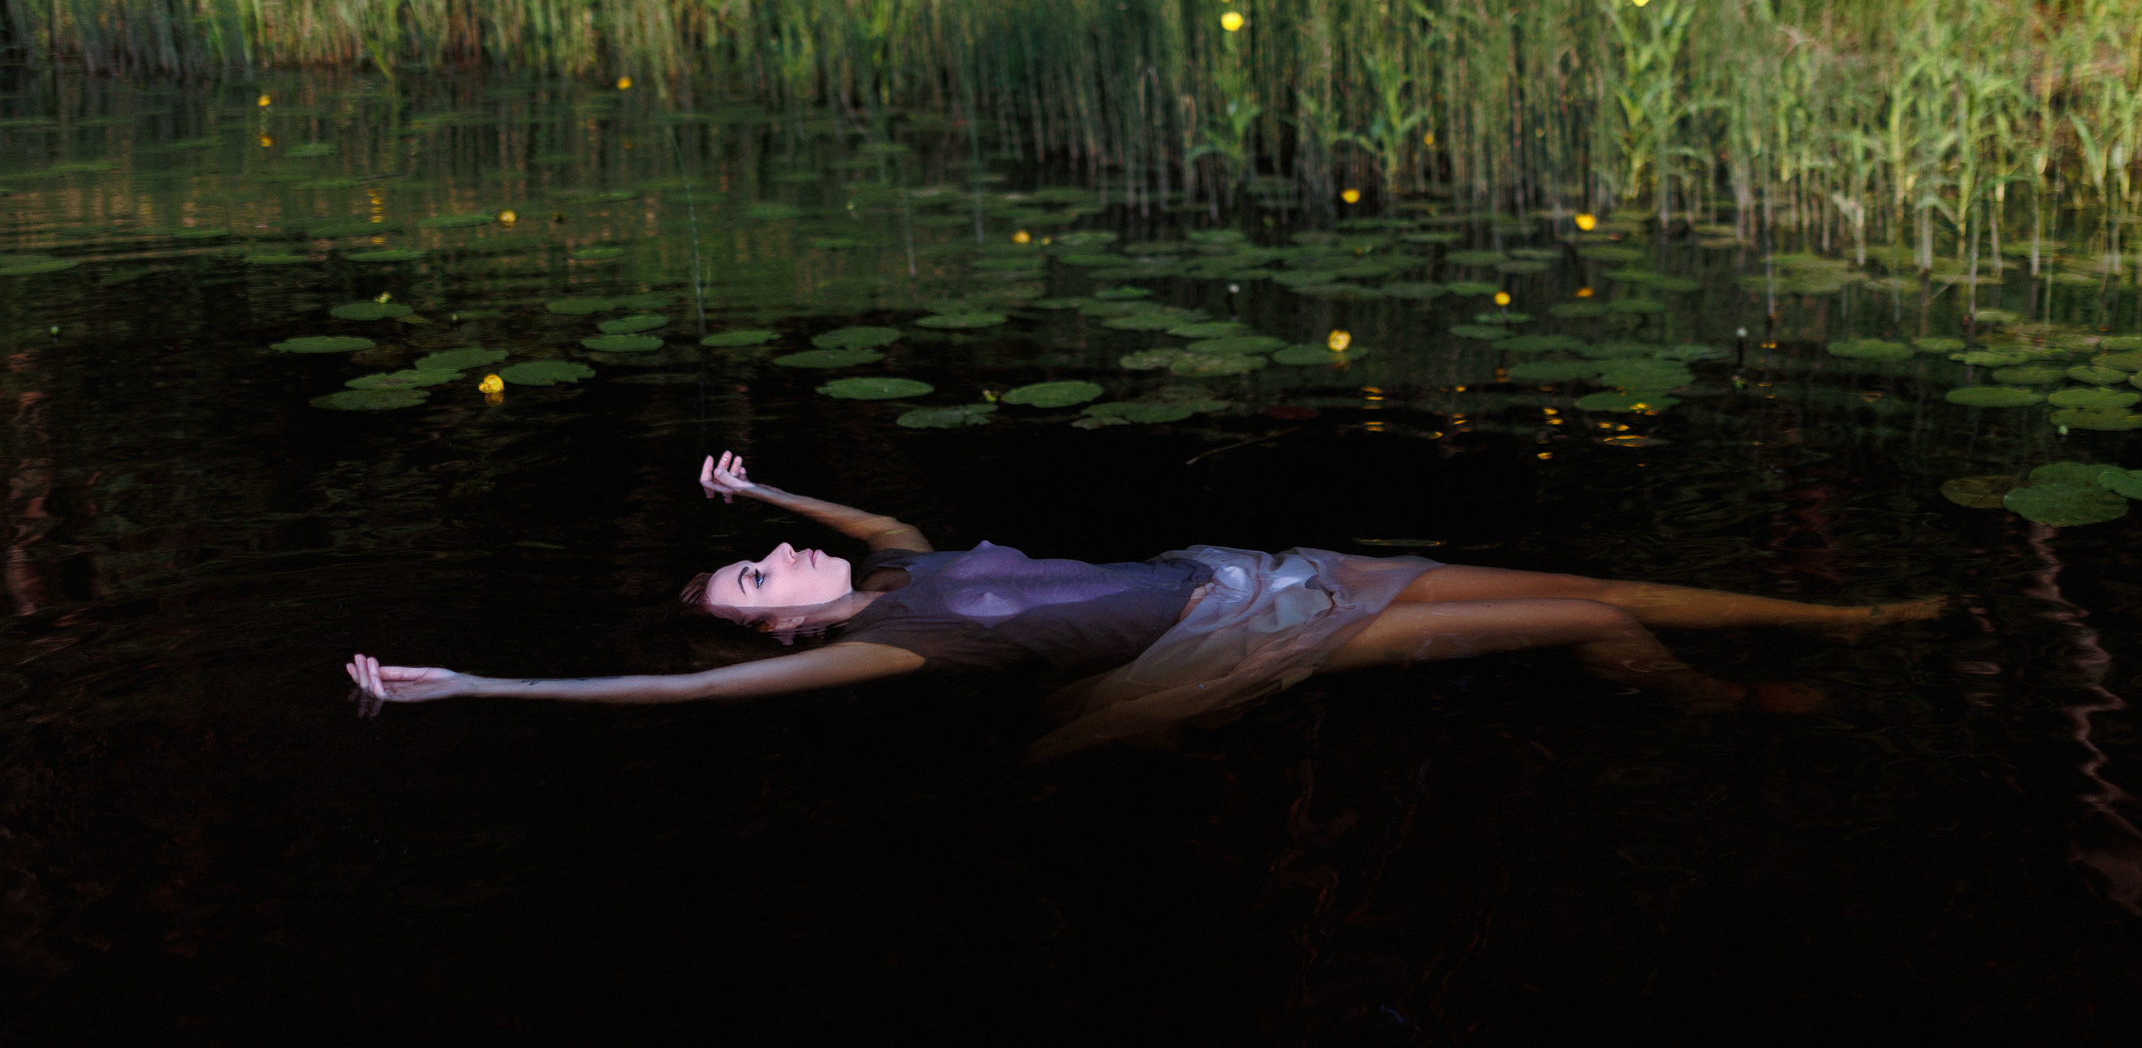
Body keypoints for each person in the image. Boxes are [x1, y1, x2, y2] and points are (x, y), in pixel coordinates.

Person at [344, 452, 1946, 756]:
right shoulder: (894, 640)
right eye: (767, 581)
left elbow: (885, 517)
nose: (790, 569)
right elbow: (680, 699)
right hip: (1244, 632)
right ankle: (1724, 700)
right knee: (1583, 616)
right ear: (786, 634)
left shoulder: (896, 569)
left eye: (770, 560)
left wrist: (756, 496)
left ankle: (1838, 630)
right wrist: (469, 688)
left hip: (1254, 564)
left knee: (1591, 590)